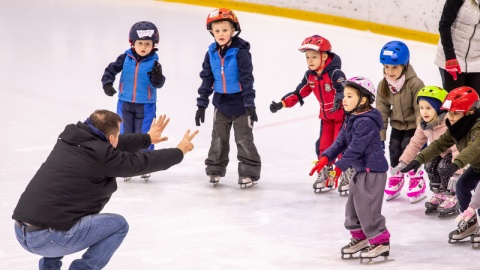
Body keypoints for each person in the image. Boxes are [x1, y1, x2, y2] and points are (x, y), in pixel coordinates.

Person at [12, 110, 198, 270]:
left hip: (22, 232)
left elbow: (109, 147)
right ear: (110, 138)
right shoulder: (102, 156)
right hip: (48, 238)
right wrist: (179, 152)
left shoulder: (70, 139)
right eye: (116, 135)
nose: (117, 139)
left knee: (63, 215)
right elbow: (140, 162)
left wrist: (146, 138)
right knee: (118, 225)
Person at [310, 77, 390, 262]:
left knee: (367, 208)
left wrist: (338, 168)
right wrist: (325, 158)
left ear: (363, 100)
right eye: (344, 95)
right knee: (353, 207)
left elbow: (355, 148)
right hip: (360, 170)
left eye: (349, 96)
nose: (343, 99)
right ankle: (360, 238)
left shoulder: (367, 122)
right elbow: (340, 142)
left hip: (373, 171)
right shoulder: (351, 118)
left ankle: (380, 241)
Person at [400, 86, 480, 244]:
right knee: (462, 187)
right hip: (478, 167)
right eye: (449, 112)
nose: (450, 117)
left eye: (455, 113)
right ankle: (470, 224)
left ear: (470, 112)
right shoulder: (457, 127)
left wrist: (455, 164)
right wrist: (417, 160)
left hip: (476, 161)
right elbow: (437, 145)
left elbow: (473, 148)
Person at [269, 34, 348, 193]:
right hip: (326, 119)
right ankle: (326, 174)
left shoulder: (335, 74)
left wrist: (338, 100)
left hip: (342, 118)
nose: (310, 60)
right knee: (323, 147)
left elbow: (344, 90)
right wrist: (282, 103)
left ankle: (347, 174)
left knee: (341, 147)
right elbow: (299, 93)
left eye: (314, 56)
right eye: (307, 57)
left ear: (324, 56)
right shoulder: (310, 76)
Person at [194, 8, 261, 188]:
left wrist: (250, 104)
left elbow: (247, 79)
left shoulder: (241, 52)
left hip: (240, 103)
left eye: (225, 30)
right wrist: (202, 105)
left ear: (233, 30)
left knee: (244, 139)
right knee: (218, 138)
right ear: (211, 32)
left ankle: (249, 172)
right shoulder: (211, 53)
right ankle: (215, 168)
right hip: (221, 103)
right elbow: (207, 78)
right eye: (217, 31)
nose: (221, 34)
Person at [101, 21, 166, 181]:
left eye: (147, 43)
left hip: (146, 104)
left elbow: (159, 83)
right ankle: (125, 163)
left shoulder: (154, 63)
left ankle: (145, 164)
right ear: (133, 43)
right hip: (125, 103)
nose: (143, 47)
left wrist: (157, 76)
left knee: (145, 134)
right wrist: (107, 83)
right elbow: (110, 70)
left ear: (153, 45)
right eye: (140, 43)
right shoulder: (125, 58)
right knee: (124, 133)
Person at [389, 86, 463, 217]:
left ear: (440, 108)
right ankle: (439, 193)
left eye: (429, 108)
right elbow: (415, 143)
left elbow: (458, 149)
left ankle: (452, 195)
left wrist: (456, 173)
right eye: (421, 108)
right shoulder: (424, 124)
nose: (424, 112)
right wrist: (403, 162)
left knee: (444, 167)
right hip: (440, 152)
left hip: (456, 155)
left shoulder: (448, 124)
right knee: (429, 164)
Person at [376, 40, 425, 201]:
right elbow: (381, 112)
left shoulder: (415, 84)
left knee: (407, 148)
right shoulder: (384, 85)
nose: (390, 71)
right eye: (386, 67)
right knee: (394, 149)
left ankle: (416, 177)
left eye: (394, 67)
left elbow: (421, 110)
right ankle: (397, 176)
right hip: (397, 125)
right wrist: (380, 136)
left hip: (414, 126)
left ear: (404, 65)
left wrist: (422, 134)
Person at [434, 0, 480, 93]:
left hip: (477, 61)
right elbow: (444, 25)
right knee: (455, 102)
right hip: (453, 57)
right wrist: (450, 56)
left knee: (475, 104)